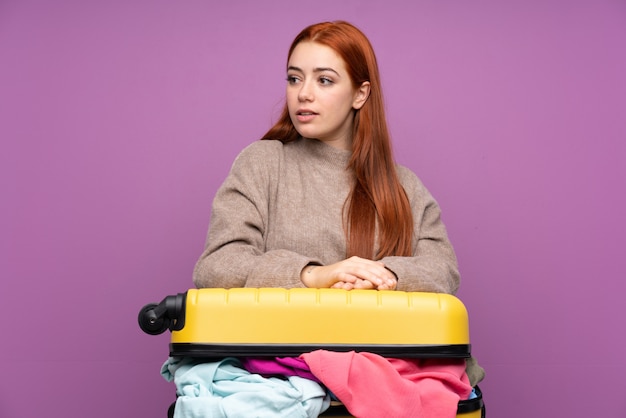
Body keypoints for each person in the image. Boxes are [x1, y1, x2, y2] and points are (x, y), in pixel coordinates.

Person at [193, 21, 461, 296]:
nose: (303, 94)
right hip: (278, 339)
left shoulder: (405, 187)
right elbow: (216, 265)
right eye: (294, 79)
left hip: (369, 338)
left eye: (324, 80)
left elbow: (443, 270)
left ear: (360, 94)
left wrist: (378, 276)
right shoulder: (262, 164)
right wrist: (314, 275)